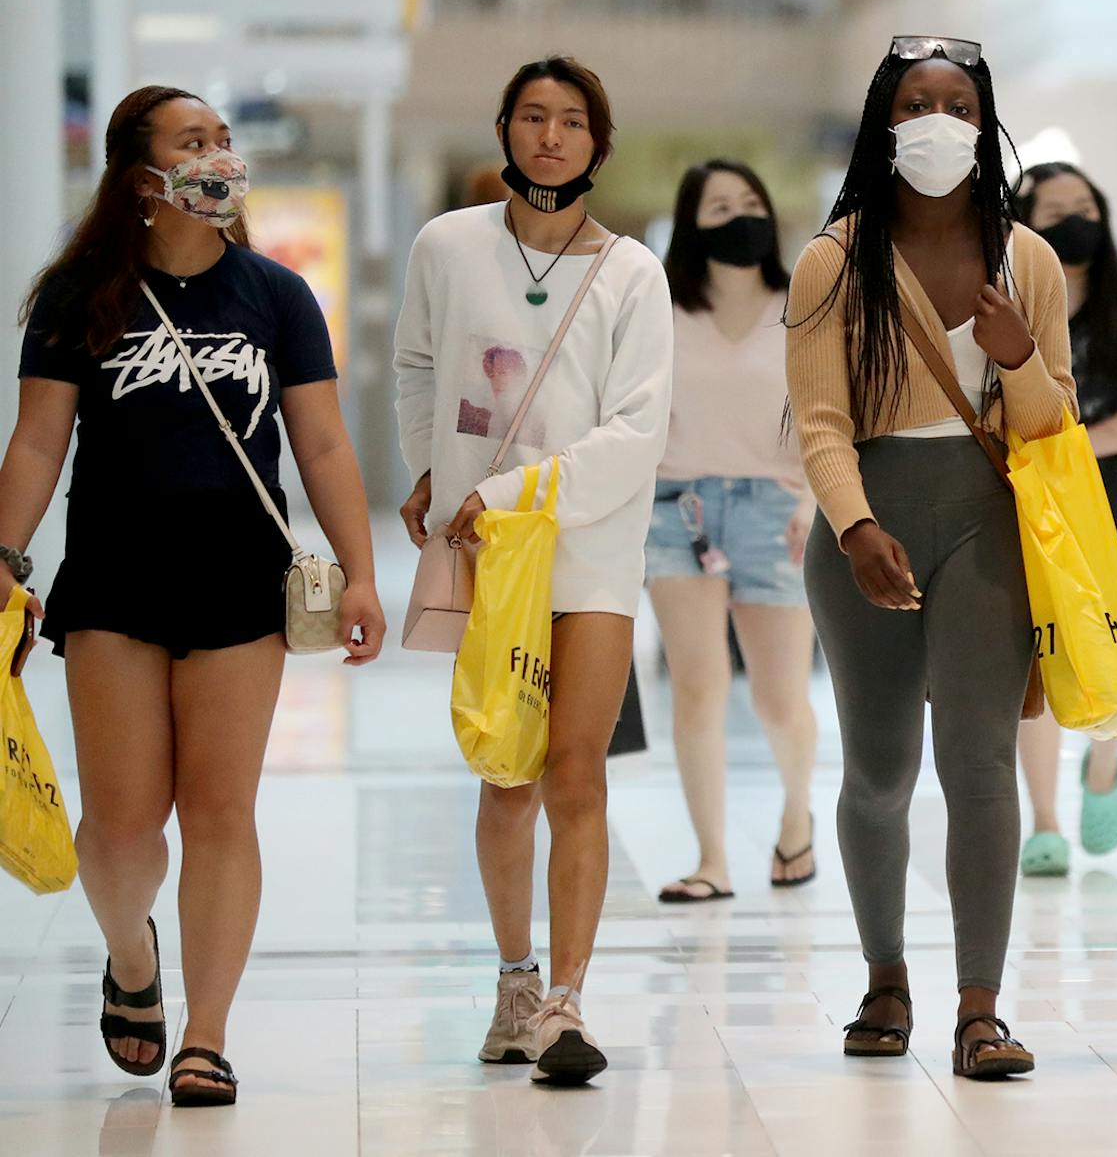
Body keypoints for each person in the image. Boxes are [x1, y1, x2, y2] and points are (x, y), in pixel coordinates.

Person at [1, 86, 385, 1106]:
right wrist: (2, 554)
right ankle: (133, 953)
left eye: (222, 138)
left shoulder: (275, 296)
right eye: (193, 141)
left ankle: (206, 1035)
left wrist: (361, 571)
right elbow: (39, 441)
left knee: (221, 809)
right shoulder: (80, 295)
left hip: (236, 580)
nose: (219, 154)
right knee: (122, 827)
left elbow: (324, 443)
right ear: (143, 177)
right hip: (117, 575)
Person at [786, 35, 1075, 1080]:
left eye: (958, 102)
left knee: (982, 762)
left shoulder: (1026, 261)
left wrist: (1017, 360)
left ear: (984, 121)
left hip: (985, 521)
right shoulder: (835, 260)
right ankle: (884, 975)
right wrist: (857, 527)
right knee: (877, 768)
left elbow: (1055, 426)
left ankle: (979, 1006)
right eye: (917, 102)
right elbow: (819, 420)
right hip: (868, 521)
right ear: (886, 121)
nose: (938, 121)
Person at [394, 55, 672, 1084]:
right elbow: (418, 363)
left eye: (571, 121)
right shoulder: (448, 247)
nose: (551, 136)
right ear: (505, 129)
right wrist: (428, 459)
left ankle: (566, 999)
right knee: (504, 772)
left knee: (574, 771)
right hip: (487, 555)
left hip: (590, 546)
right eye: (533, 117)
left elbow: (638, 431)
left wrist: (508, 492)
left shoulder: (633, 272)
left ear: (599, 142)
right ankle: (514, 982)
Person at [648, 158, 818, 903]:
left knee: (780, 697)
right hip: (676, 507)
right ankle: (711, 858)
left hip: (777, 508)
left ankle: (796, 813)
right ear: (692, 224)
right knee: (697, 688)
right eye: (719, 206)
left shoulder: (804, 304)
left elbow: (828, 413)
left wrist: (816, 502)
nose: (738, 215)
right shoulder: (660, 308)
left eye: (750, 201)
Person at [1011, 161, 1117, 878]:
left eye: (1083, 205)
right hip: (1030, 507)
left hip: (1113, 506)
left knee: (1106, 644)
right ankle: (1045, 821)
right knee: (1041, 649)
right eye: (1054, 207)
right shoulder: (1010, 304)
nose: (1072, 218)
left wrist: (1075, 448)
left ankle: (1103, 767)